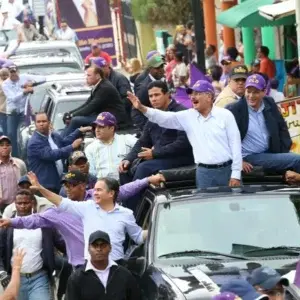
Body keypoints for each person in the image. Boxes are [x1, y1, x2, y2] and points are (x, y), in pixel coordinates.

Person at [0, 170, 163, 268]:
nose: (67, 188)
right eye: (65, 185)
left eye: (71, 184)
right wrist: (11, 221)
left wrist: (148, 180)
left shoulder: (97, 199)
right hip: (82, 266)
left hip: (115, 264)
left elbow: (125, 190)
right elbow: (34, 219)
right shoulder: (64, 210)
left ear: (83, 185)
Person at [127, 80, 242, 188]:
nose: (192, 97)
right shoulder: (188, 116)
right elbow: (164, 118)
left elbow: (235, 144)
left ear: (209, 96)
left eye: (197, 93)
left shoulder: (225, 115)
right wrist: (142, 108)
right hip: (203, 173)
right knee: (207, 208)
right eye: (191, 94)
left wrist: (236, 174)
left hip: (227, 170)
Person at [26, 172, 147, 264]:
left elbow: (138, 236)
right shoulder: (87, 207)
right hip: (89, 267)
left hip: (116, 267)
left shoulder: (126, 213)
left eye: (99, 190)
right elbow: (60, 201)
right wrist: (40, 188)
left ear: (111, 193)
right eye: (94, 190)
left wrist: (158, 231)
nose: (94, 193)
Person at [119, 81, 194, 210]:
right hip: (159, 157)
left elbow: (183, 144)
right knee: (124, 169)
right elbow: (143, 141)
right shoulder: (153, 115)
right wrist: (128, 159)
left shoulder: (181, 112)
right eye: (151, 96)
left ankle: (134, 213)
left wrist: (154, 153)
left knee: (143, 168)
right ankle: (127, 208)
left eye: (157, 95)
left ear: (167, 95)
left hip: (180, 157)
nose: (153, 99)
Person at [226, 74, 300, 175]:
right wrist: (238, 161)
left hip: (271, 151)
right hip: (250, 156)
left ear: (264, 92)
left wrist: (283, 151)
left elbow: (282, 128)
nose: (251, 96)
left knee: (292, 158)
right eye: (249, 91)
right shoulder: (234, 109)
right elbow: (223, 139)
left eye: (256, 92)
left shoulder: (269, 102)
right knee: (297, 159)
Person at [0, 189, 65, 300]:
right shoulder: (7, 226)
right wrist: (2, 272)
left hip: (39, 278)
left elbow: (62, 244)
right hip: (15, 279)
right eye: (19, 203)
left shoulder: (44, 224)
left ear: (33, 203)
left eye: (26, 203)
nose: (22, 206)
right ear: (15, 205)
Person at [65, 230, 141, 300]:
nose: (99, 249)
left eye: (103, 245)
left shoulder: (124, 275)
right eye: (95, 245)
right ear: (88, 249)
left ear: (110, 248)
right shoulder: (77, 278)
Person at [27, 112, 88, 193]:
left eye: (44, 121)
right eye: (38, 122)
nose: (41, 124)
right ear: (35, 124)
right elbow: (51, 155)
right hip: (44, 186)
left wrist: (78, 131)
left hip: (57, 182)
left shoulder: (53, 135)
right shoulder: (34, 142)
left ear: (49, 122)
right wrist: (72, 146)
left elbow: (64, 143)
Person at [63, 66, 129, 136]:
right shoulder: (99, 85)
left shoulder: (104, 88)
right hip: (102, 115)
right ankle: (64, 140)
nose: (86, 78)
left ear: (97, 76)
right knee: (73, 119)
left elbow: (91, 107)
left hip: (113, 118)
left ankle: (62, 142)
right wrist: (70, 113)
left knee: (75, 120)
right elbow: (87, 104)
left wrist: (72, 115)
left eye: (89, 75)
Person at [2, 64, 46, 157]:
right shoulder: (5, 84)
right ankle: (14, 156)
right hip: (12, 113)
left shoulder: (24, 77)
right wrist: (24, 91)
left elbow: (43, 78)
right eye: (11, 72)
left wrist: (32, 83)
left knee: (26, 133)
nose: (14, 74)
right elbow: (12, 98)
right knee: (11, 134)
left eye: (15, 72)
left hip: (24, 112)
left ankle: (26, 154)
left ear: (18, 71)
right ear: (9, 73)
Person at [85, 112, 137, 180]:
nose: (97, 130)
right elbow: (92, 173)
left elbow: (143, 146)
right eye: (95, 127)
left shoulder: (127, 140)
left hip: (126, 183)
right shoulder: (90, 148)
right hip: (102, 185)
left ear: (112, 128)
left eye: (101, 127)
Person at [91, 57, 132, 122]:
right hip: (104, 114)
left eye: (96, 70)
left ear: (106, 67)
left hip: (118, 117)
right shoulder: (101, 79)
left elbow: (127, 99)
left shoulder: (119, 78)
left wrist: (110, 110)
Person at [131, 55, 165, 132]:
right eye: (157, 68)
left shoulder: (162, 79)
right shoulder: (145, 87)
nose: (161, 70)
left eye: (162, 66)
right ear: (150, 69)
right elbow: (135, 111)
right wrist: (148, 129)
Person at [0, 135, 26, 213]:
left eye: (7, 145)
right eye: (1, 145)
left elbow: (25, 184)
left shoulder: (20, 164)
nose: (5, 147)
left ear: (11, 147)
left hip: (18, 204)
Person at [0, 68, 9, 135]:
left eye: (6, 75)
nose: (4, 77)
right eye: (3, 75)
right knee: (5, 131)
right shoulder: (3, 84)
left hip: (10, 111)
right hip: (3, 111)